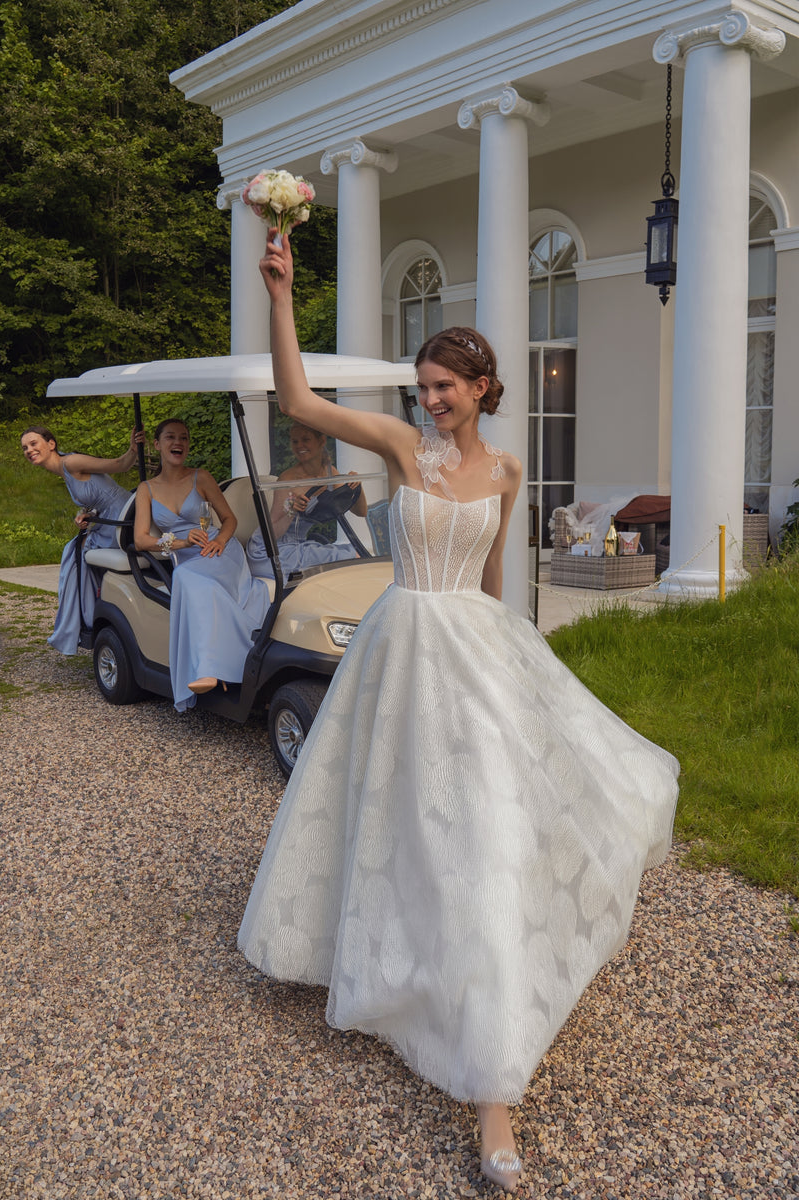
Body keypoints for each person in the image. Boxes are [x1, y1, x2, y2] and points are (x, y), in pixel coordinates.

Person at [238, 230, 679, 1191]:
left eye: (446, 388)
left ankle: (493, 1091)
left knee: (483, 830)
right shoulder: (406, 450)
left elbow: (494, 582)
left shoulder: (509, 473)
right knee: (397, 815)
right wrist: (280, 296)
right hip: (402, 647)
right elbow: (303, 403)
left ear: (483, 388)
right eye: (423, 388)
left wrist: (525, 665)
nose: (430, 402)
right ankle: (389, 962)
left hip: (478, 652)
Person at [133, 418, 271, 712]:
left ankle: (209, 668)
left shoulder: (201, 478)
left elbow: (230, 520)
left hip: (219, 551)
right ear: (157, 445)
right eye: (170, 437)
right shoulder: (146, 489)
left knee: (188, 577)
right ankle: (222, 661)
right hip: (184, 553)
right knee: (187, 574)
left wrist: (219, 540)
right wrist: (178, 543)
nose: (178, 443)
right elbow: (142, 540)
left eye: (183, 438)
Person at [21, 424, 145, 655]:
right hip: (109, 518)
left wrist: (133, 449)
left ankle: (83, 618)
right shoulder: (63, 470)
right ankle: (88, 614)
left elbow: (120, 465)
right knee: (75, 549)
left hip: (125, 517)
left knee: (75, 551)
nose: (29, 450)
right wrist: (86, 515)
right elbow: (97, 496)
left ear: (51, 444)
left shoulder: (72, 462)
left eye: (33, 443)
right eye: (25, 448)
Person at [246, 420, 367, 579]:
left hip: (299, 547)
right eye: (295, 441)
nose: (299, 446)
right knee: (351, 556)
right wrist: (291, 509)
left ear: (321, 441)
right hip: (270, 552)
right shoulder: (288, 479)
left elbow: (361, 512)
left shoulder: (329, 473)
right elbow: (271, 534)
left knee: (356, 552)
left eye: (306, 439)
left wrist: (357, 486)